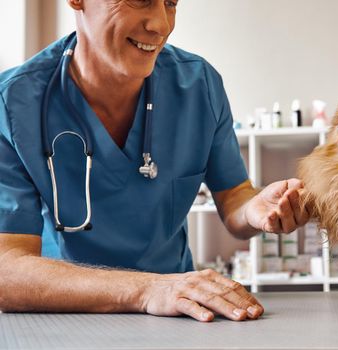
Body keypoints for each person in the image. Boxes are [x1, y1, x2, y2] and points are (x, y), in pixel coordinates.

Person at [0, 0, 309, 322]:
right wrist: (148, 289)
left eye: (171, 3)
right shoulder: (13, 103)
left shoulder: (198, 85)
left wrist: (257, 208)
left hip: (176, 315)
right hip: (66, 313)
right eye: (139, 0)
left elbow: (233, 196)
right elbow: (6, 271)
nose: (160, 25)